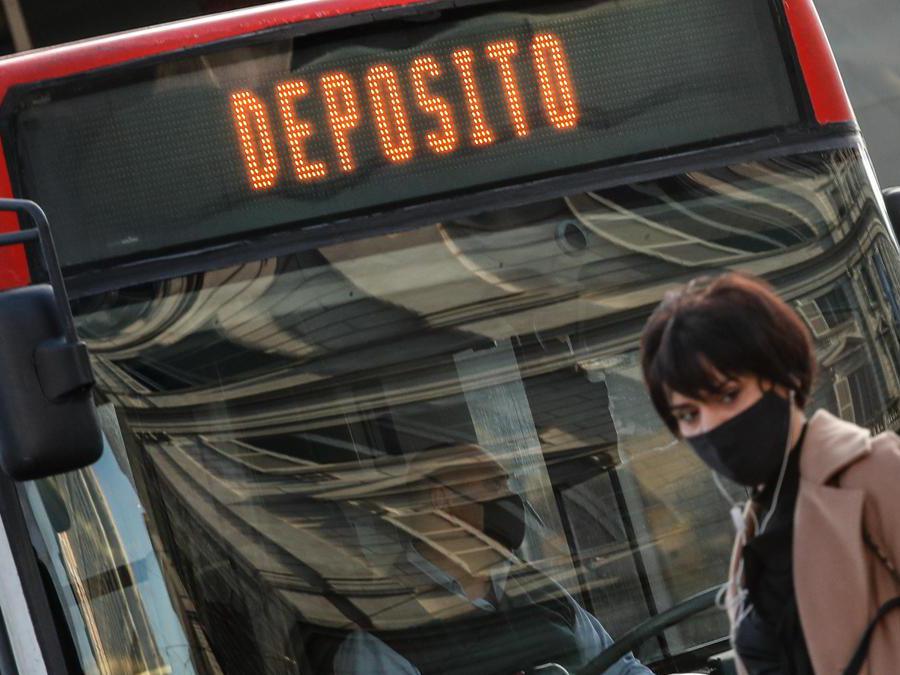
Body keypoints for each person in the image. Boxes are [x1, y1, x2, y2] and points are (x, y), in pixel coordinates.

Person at [639, 272, 900, 674]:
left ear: (786, 377)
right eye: (688, 414)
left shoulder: (875, 471)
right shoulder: (755, 526)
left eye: (728, 394)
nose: (710, 425)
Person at [329, 444, 651, 675]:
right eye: (494, 484)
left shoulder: (538, 590)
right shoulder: (384, 638)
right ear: (443, 501)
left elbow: (620, 668)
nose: (511, 499)